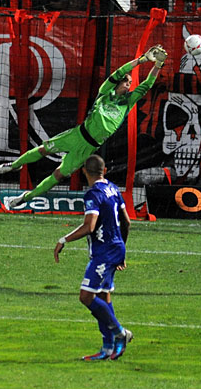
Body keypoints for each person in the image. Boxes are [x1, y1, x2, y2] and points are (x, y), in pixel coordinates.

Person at [0, 45, 168, 209]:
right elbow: (119, 72)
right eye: (126, 82)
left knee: (57, 175)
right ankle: (15, 165)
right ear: (117, 84)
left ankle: (25, 198)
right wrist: (143, 59)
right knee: (43, 150)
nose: (128, 85)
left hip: (88, 148)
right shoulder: (104, 93)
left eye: (130, 83)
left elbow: (147, 85)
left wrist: (158, 65)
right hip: (77, 135)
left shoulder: (127, 102)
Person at [53, 154, 133, 360]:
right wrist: (121, 250)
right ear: (104, 171)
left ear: (84, 172)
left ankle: (120, 333)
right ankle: (108, 348)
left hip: (104, 252)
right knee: (103, 297)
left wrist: (64, 239)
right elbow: (127, 222)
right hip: (115, 248)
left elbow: (89, 226)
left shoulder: (93, 194)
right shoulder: (114, 189)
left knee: (86, 296)